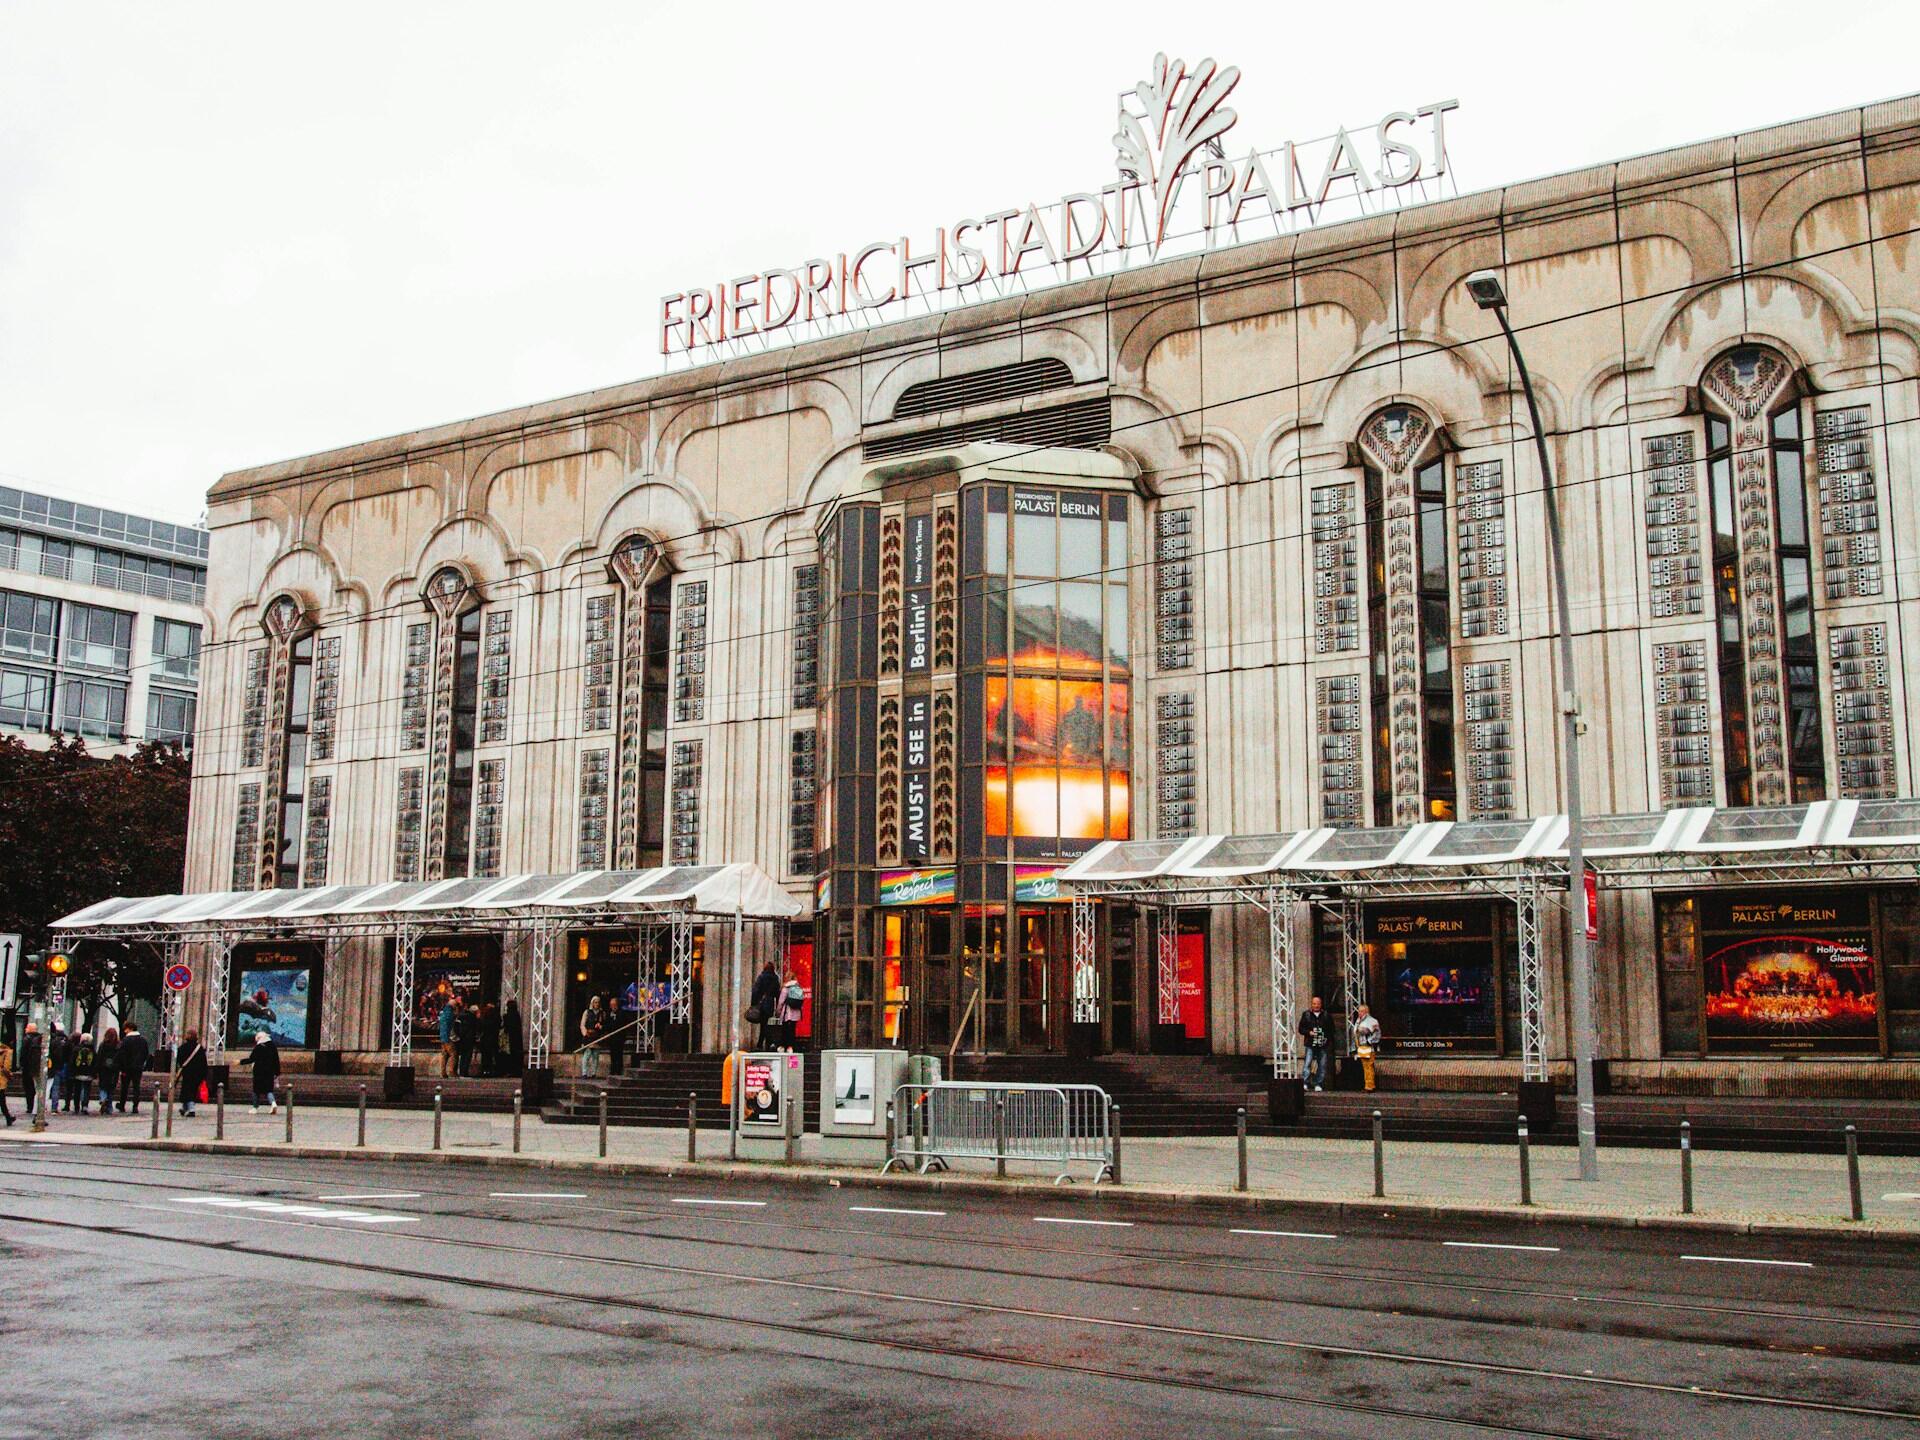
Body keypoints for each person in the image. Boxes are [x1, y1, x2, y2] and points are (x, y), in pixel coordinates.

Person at [1298, 996, 1332, 1093]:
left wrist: (1326, 1038)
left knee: (1322, 1064)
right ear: (1311, 1004)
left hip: (1322, 1044)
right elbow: (1300, 1029)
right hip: (1310, 1043)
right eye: (1314, 1003)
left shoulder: (1326, 1015)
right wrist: (1309, 1032)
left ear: (1321, 1004)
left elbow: (1331, 1030)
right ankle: (1305, 1082)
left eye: (1318, 1004)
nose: (1316, 1005)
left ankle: (1318, 1083)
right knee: (1307, 1063)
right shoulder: (1306, 1014)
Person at [116, 1021, 151, 1113]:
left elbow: (121, 1055)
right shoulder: (143, 1040)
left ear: (130, 1029)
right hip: (138, 1067)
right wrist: (142, 1064)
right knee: (136, 1086)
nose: (125, 1031)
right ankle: (135, 1105)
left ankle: (122, 1105)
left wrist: (122, 1067)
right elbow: (146, 1054)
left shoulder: (125, 1040)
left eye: (126, 1029)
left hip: (126, 1068)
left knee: (124, 1087)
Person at [244, 1030, 281, 1113]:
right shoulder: (273, 1046)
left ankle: (255, 1107)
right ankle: (273, 1103)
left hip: (259, 1072)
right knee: (269, 1090)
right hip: (270, 1072)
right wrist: (277, 1072)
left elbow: (251, 1059)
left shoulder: (259, 1047)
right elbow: (276, 1060)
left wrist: (240, 1062)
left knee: (256, 1090)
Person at [174, 1029, 209, 1117]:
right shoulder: (200, 1048)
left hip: (187, 1072)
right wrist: (204, 1075)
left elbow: (179, 1061)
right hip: (198, 1073)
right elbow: (204, 1062)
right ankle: (185, 1107)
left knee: (187, 1090)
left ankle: (191, 1109)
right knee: (192, 1090)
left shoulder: (182, 1048)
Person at [749, 960, 781, 1049]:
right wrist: (778, 1005)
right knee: (766, 1023)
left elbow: (755, 991)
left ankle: (762, 1044)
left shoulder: (761, 977)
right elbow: (777, 993)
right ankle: (768, 1043)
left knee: (764, 1024)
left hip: (761, 1003)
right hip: (770, 1003)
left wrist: (753, 1003)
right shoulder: (775, 979)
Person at [1353, 1003, 1382, 1094]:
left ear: (1366, 1011)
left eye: (1362, 1011)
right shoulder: (1358, 1020)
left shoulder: (1372, 1021)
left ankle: (1370, 1086)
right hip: (1361, 1045)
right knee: (1365, 1066)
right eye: (1359, 1011)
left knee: (1368, 1066)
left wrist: (1370, 1042)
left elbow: (1377, 1034)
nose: (1360, 1013)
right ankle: (1368, 1084)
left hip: (1368, 1046)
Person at [93, 1027, 121, 1115]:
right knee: (111, 1089)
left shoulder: (103, 1045)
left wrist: (96, 1070)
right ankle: (109, 1107)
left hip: (103, 1069)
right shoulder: (118, 1045)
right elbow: (121, 1058)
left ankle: (103, 1099)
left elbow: (99, 1057)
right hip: (114, 1070)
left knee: (103, 1086)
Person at [579, 995, 608, 1078]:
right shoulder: (587, 1012)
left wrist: (601, 1026)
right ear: (592, 1003)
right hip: (588, 1036)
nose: (597, 1004)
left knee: (595, 1056)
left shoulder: (602, 1013)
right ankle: (584, 1073)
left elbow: (604, 1024)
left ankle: (593, 1073)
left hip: (597, 1036)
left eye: (598, 1002)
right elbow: (582, 1024)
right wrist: (585, 1033)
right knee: (587, 1055)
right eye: (595, 1002)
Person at [16, 1022, 40, 1122]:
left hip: (27, 1067)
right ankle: (35, 1106)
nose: (25, 1029)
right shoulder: (38, 1039)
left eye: (27, 1027)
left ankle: (30, 1106)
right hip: (35, 1067)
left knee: (28, 1087)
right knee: (35, 1088)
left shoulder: (27, 1039)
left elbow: (23, 1053)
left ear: (30, 1029)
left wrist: (21, 1064)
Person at [65, 1031, 94, 1113]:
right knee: (87, 1089)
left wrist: (72, 1071)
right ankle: (85, 1105)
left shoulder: (77, 1048)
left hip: (78, 1072)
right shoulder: (92, 1049)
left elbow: (72, 1061)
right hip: (88, 1073)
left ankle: (76, 1106)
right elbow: (95, 1061)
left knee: (77, 1089)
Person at [777, 974, 805, 1051]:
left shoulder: (786, 988)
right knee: (792, 1030)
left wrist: (778, 1011)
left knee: (785, 1029)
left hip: (787, 1013)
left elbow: (781, 1002)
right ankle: (791, 1047)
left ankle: (783, 1046)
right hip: (796, 1013)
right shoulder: (798, 987)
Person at [45, 1023, 68, 1113]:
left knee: (47, 1087)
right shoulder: (65, 1040)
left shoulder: (49, 1039)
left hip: (50, 1065)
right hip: (59, 1066)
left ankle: (44, 1106)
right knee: (56, 1087)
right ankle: (54, 1107)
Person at [455, 1000, 480, 1078]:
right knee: (467, 1056)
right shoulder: (473, 1019)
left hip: (463, 1039)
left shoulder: (462, 1017)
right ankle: (464, 1072)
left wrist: (459, 1035)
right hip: (469, 1039)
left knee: (463, 1056)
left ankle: (462, 1072)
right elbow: (477, 1028)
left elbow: (456, 1026)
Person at [501, 999, 525, 1078]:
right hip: (517, 1038)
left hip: (511, 1038)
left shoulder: (508, 1015)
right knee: (517, 1054)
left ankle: (512, 1070)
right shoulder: (516, 1015)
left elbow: (507, 1027)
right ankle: (517, 1070)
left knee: (511, 1055)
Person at [476, 1002, 499, 1078]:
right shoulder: (495, 1018)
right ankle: (491, 1070)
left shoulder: (484, 1018)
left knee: (485, 1055)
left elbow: (480, 1027)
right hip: (493, 1038)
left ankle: (485, 1070)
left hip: (485, 1038)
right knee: (491, 1055)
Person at [0, 1030, 14, 1126]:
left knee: (2, 1100)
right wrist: (10, 1076)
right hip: (1, 1079)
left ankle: (8, 1117)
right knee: (1, 1099)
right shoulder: (8, 1052)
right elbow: (6, 1067)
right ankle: (8, 1117)